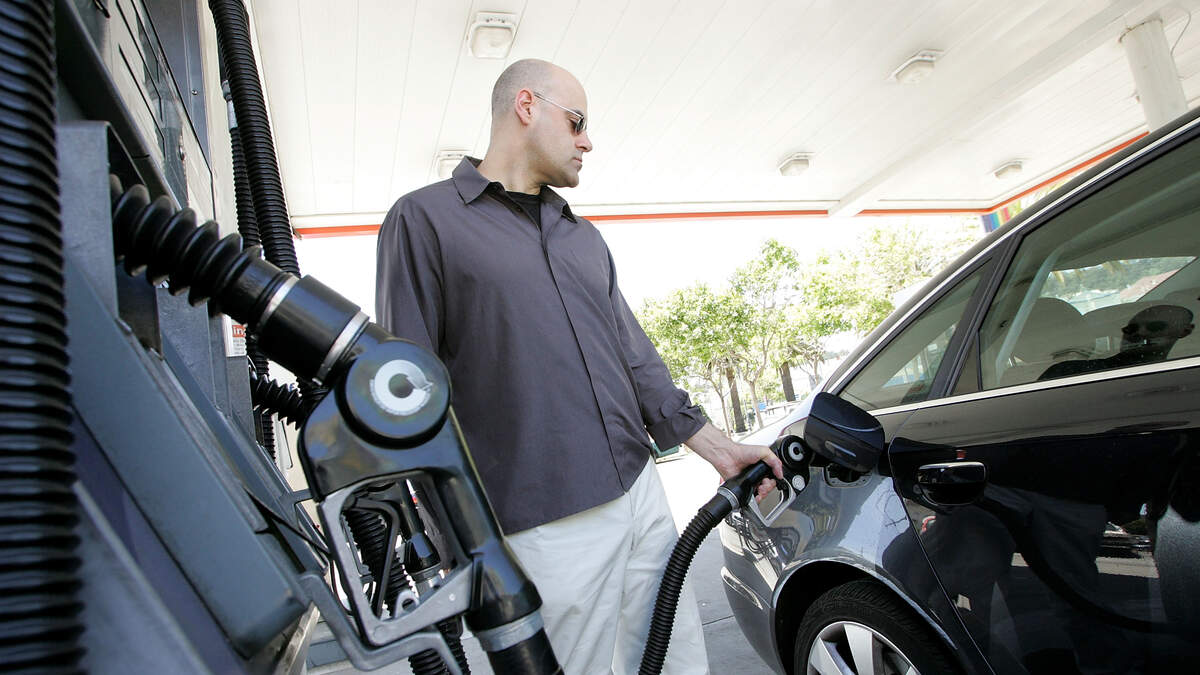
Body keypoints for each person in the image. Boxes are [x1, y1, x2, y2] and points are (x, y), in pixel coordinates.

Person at [375, 58, 782, 674]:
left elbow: (635, 357)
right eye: (577, 122)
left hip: (641, 492)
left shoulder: (582, 236)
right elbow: (407, 391)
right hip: (540, 520)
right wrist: (450, 532)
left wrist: (721, 450)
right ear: (527, 106)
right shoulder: (424, 220)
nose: (588, 141)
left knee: (676, 660)